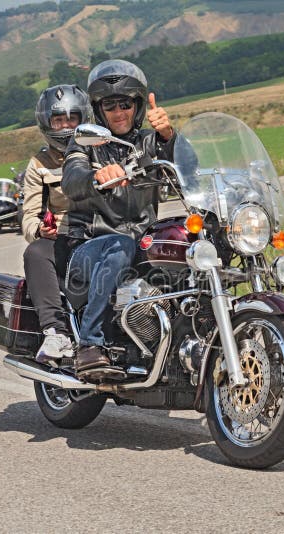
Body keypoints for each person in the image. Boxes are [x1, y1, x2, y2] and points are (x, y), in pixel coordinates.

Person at [61, 59, 176, 373]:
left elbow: (181, 164)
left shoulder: (148, 143)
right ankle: (89, 343)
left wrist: (167, 134)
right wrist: (96, 178)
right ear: (98, 110)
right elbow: (71, 178)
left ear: (137, 105)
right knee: (121, 245)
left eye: (125, 103)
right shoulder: (84, 143)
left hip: (141, 240)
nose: (118, 112)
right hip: (90, 245)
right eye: (109, 105)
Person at [22, 84, 93, 363]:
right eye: (58, 120)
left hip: (104, 231)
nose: (65, 126)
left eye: (71, 118)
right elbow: (29, 215)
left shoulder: (101, 149)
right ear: (46, 123)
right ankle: (55, 332)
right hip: (64, 240)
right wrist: (39, 230)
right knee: (36, 252)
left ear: (83, 118)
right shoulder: (39, 163)